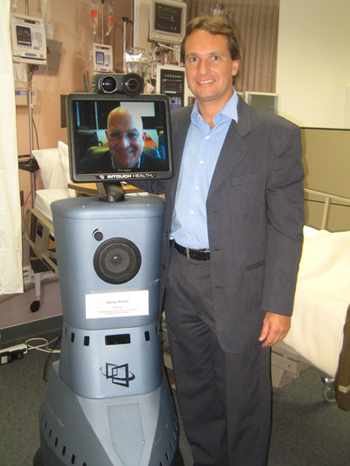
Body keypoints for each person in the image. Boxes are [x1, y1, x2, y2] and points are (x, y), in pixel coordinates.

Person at [134, 15, 305, 466]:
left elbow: (286, 227)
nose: (202, 68)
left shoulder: (275, 135)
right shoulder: (167, 126)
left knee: (244, 399)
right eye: (193, 58)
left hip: (241, 284)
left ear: (235, 65)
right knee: (194, 389)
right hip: (180, 277)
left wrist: (279, 302)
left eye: (214, 57)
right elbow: (153, 185)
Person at [82, 107, 166, 172]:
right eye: (115, 135)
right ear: (107, 136)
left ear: (143, 138)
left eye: (132, 135)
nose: (123, 145)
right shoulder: (87, 170)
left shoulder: (162, 169)